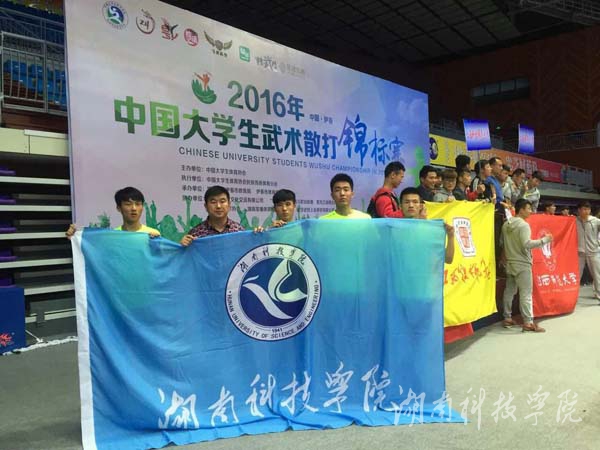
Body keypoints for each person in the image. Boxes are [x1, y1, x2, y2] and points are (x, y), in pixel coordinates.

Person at [501, 198, 553, 332]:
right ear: (521, 210)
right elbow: (527, 244)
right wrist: (545, 240)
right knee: (526, 293)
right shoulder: (524, 225)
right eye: (529, 209)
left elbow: (502, 244)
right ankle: (528, 322)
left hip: (510, 263)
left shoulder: (506, 224)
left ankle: (507, 318)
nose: (531, 211)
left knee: (509, 291)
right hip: (522, 263)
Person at [65, 186, 160, 238]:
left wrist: (158, 244)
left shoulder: (152, 234)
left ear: (142, 207)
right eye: (128, 204)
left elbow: (161, 261)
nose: (134, 208)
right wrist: (75, 237)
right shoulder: (112, 236)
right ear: (119, 208)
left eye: (138, 204)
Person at [400, 187, 454, 264]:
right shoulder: (394, 231)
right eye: (406, 202)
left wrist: (451, 236)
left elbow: (448, 259)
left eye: (415, 202)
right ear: (400, 206)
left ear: (421, 206)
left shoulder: (429, 231)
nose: (411, 205)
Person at [180, 185, 244, 246]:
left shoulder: (239, 230)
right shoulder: (196, 233)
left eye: (222, 201)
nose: (218, 206)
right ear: (206, 206)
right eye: (213, 202)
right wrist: (183, 247)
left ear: (229, 205)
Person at [576, 201, 600, 300]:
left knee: (597, 275)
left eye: (588, 209)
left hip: (593, 251)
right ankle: (573, 296)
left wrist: (598, 242)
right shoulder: (574, 221)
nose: (587, 211)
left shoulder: (595, 221)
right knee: (576, 275)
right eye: (584, 209)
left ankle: (598, 294)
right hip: (579, 252)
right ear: (579, 210)